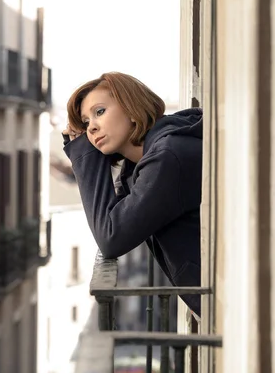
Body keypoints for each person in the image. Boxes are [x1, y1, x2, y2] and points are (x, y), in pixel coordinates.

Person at [62, 72, 203, 313]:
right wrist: (85, 152)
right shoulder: (138, 167)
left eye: (99, 112)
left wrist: (85, 157)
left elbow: (111, 237)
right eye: (85, 124)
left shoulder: (166, 158)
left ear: (131, 106)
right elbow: (113, 217)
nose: (92, 128)